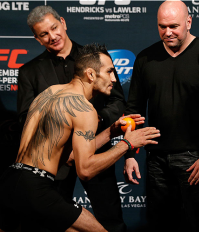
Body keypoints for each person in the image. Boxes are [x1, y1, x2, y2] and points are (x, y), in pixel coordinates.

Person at [0, 44, 161, 231]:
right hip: (37, 187)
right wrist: (127, 143)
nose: (114, 79)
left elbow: (69, 159)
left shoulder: (49, 93)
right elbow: (85, 170)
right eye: (109, 72)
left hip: (10, 181)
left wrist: (110, 132)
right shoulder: (83, 108)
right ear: (91, 74)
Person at [123, 1, 199, 231]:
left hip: (197, 159)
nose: (168, 32)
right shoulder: (145, 58)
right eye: (162, 26)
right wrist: (130, 153)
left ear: (189, 22)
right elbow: (134, 110)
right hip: (157, 159)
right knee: (161, 223)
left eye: (174, 26)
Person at [17, 6, 127, 231]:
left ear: (63, 23)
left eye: (54, 28)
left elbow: (117, 101)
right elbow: (26, 118)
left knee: (110, 220)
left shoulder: (96, 59)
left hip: (94, 150)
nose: (52, 36)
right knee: (56, 224)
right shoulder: (30, 71)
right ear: (37, 39)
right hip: (54, 164)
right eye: (44, 34)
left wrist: (99, 122)